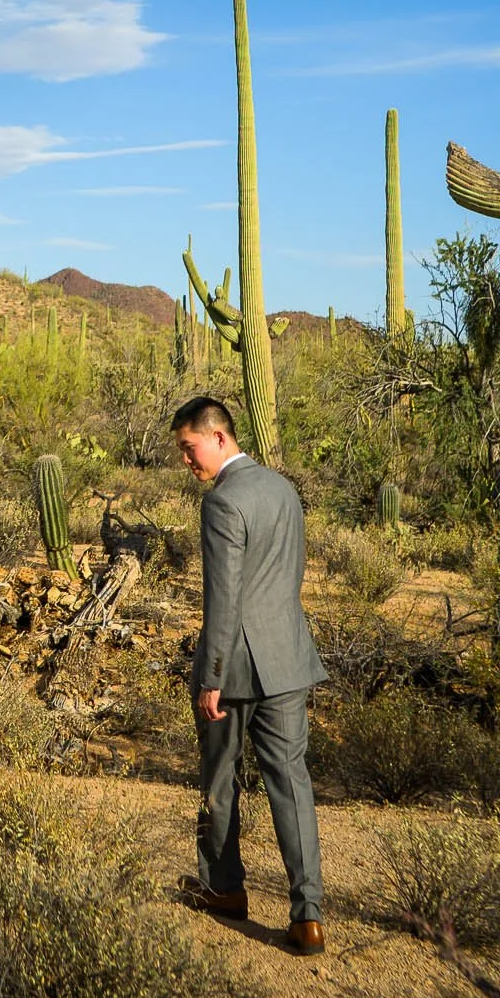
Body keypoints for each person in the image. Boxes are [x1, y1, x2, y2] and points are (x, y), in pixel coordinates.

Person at [172, 395, 327, 956]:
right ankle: (308, 917)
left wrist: (212, 675)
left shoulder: (222, 502)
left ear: (219, 437)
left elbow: (224, 598)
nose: (186, 460)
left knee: (220, 777)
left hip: (234, 668)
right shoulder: (283, 489)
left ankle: (224, 888)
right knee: (292, 784)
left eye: (189, 448)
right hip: (287, 660)